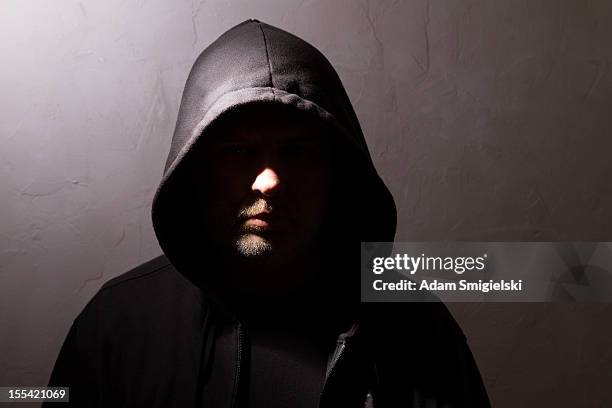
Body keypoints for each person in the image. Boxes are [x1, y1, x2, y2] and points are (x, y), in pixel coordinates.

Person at [46, 19, 490, 407]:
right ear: (195, 170)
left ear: (336, 173)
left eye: (296, 152)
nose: (268, 181)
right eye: (238, 152)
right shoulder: (118, 326)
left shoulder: (415, 327)